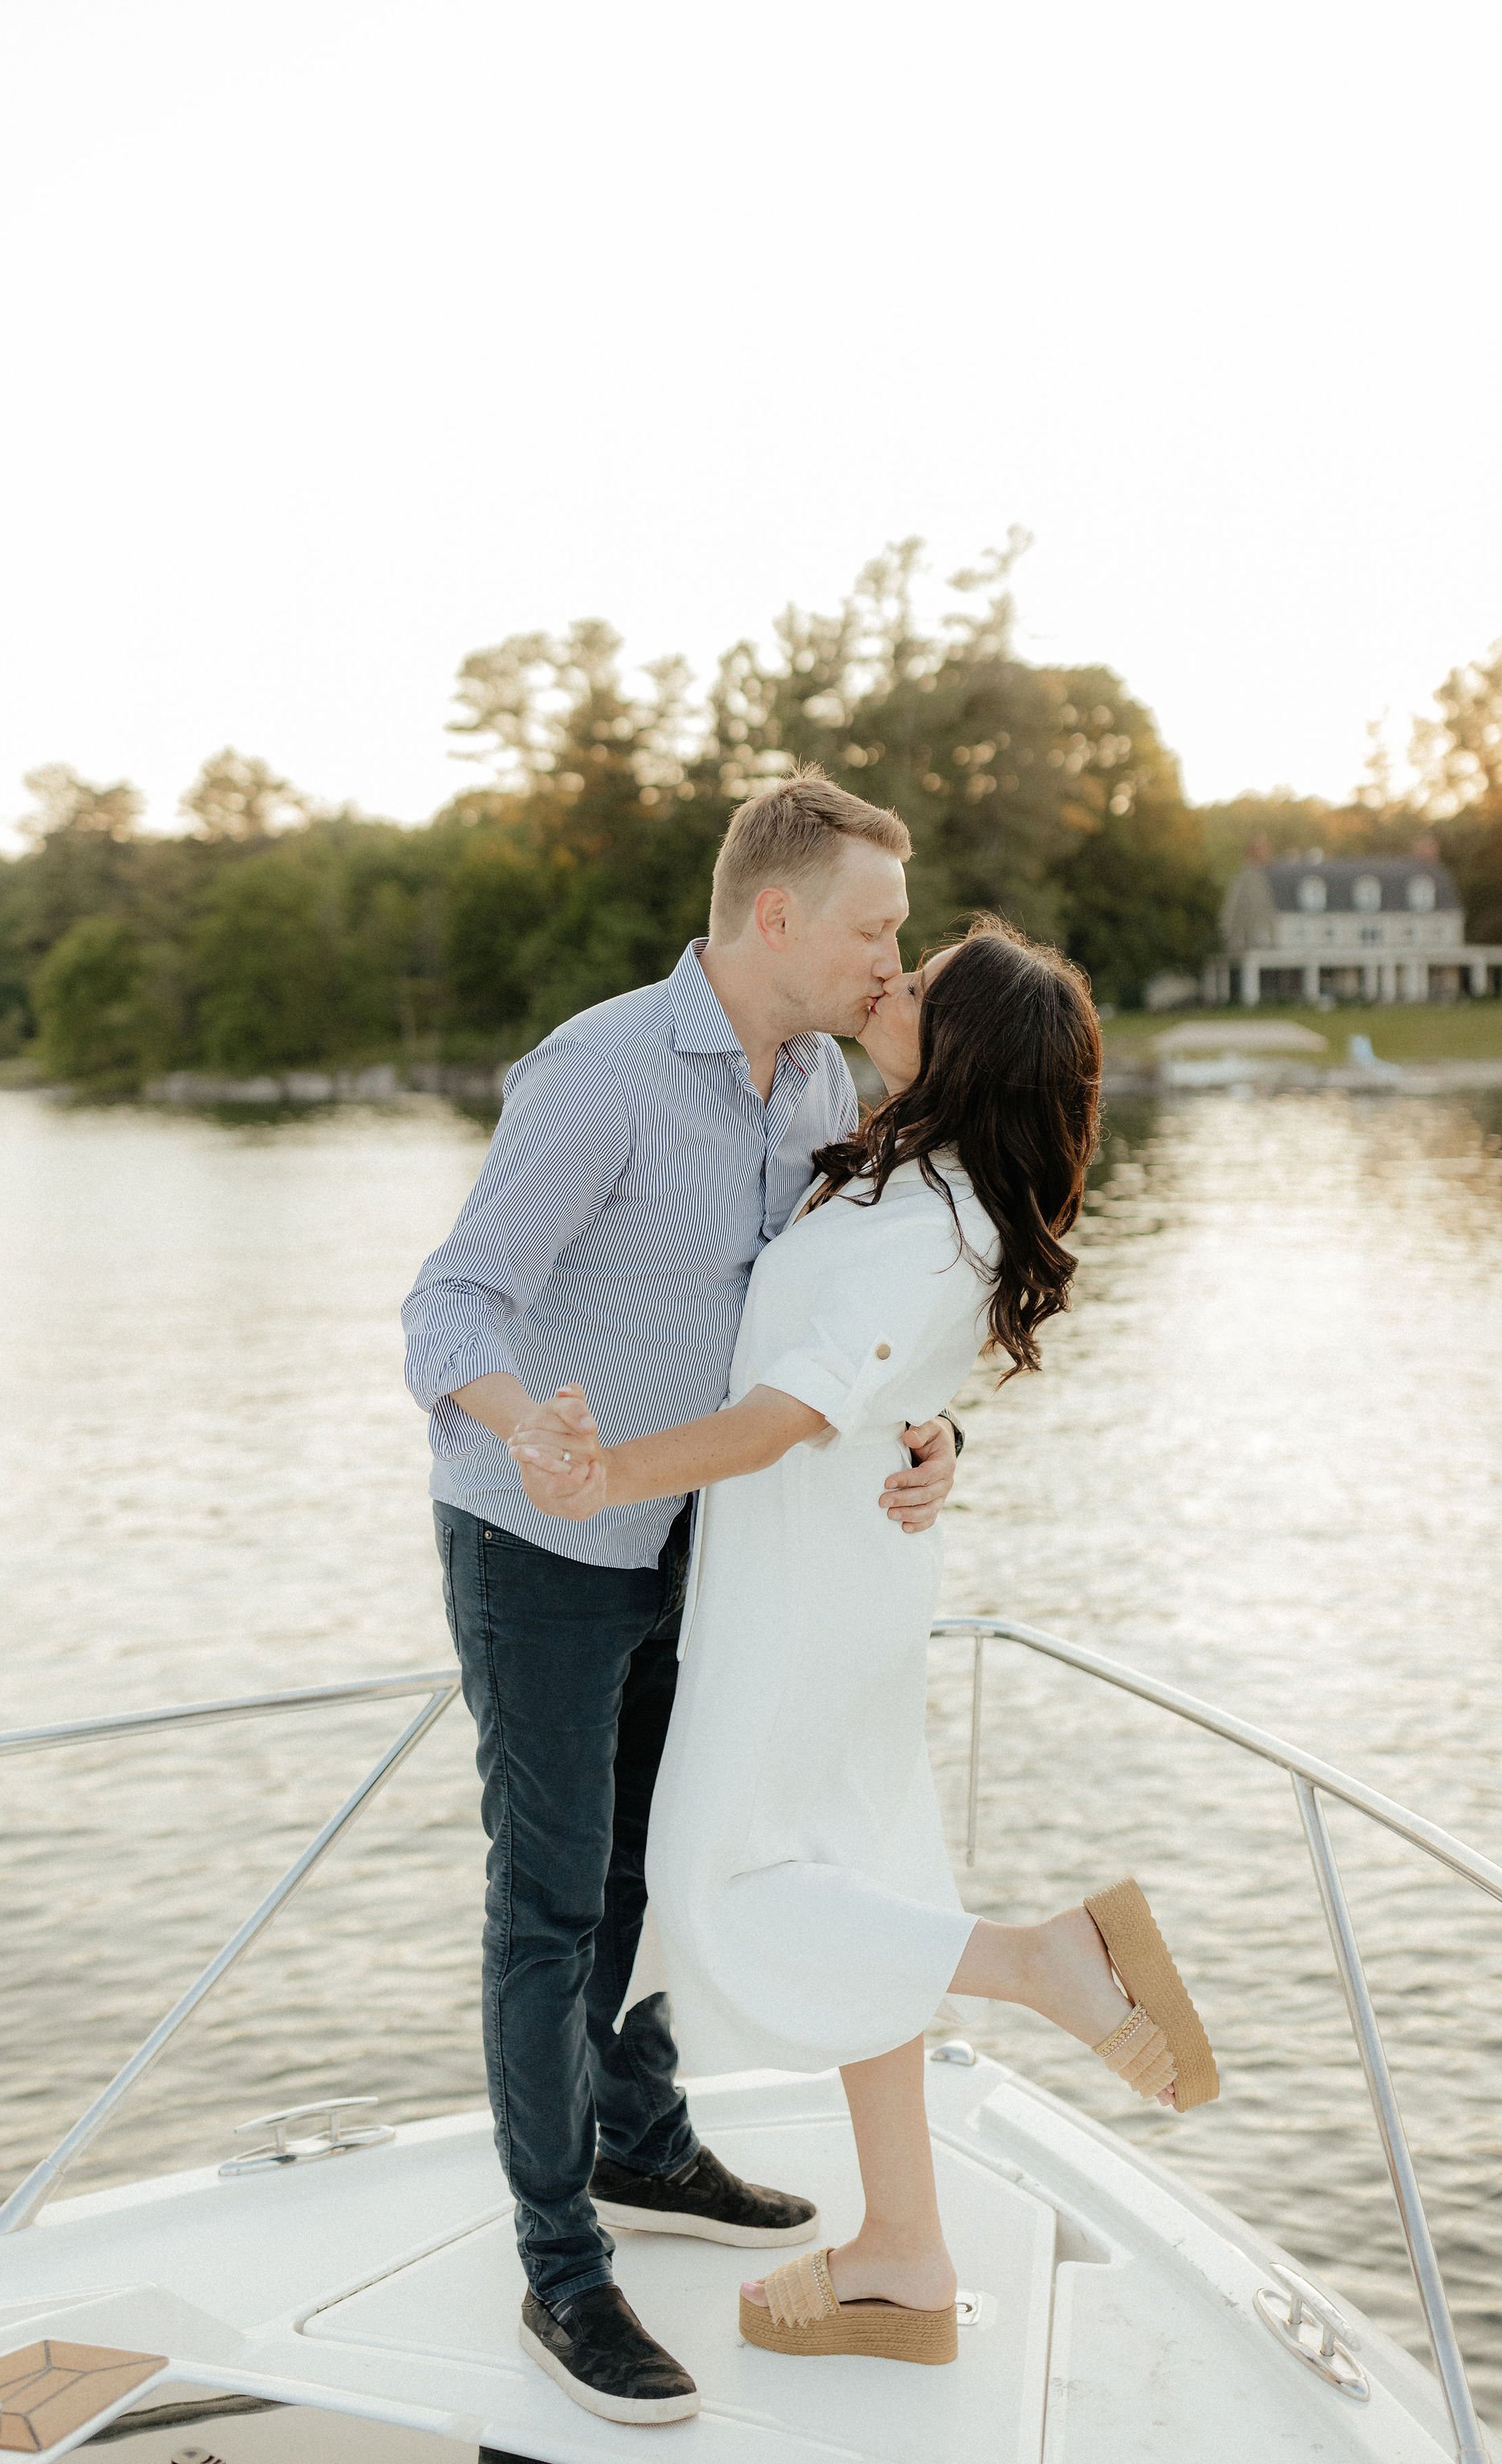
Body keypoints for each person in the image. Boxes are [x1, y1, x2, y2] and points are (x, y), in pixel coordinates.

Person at [514, 916, 1220, 2378]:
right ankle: (902, 2249)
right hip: (840, 1567)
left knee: (722, 1890)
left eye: (925, 985)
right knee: (868, 1881)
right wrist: (944, 1431)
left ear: (964, 1053)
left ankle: (1039, 1958)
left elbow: (787, 1416)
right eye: (905, 960)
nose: (894, 980)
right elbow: (887, 1374)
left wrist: (606, 1475)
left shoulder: (930, 1220)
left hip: (804, 1595)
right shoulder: (901, 1165)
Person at [401, 771, 964, 2427]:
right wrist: (534, 1424)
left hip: (705, 1549)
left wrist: (935, 1430)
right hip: (544, 1549)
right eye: (875, 927)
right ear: (776, 915)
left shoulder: (809, 1091)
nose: (894, 956)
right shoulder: (599, 1076)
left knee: (668, 1866)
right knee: (556, 1897)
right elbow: (449, 1308)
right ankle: (562, 2266)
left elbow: (828, 1322)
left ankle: (643, 2142)